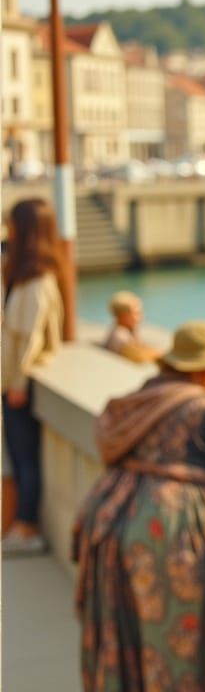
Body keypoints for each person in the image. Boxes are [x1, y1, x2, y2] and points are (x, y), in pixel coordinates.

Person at [74, 320, 205, 691]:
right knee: (175, 648)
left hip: (112, 521)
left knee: (124, 640)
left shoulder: (148, 396)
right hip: (165, 536)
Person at [1, 197, 67, 555]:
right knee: (17, 454)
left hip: (18, 382)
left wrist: (18, 382)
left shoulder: (38, 278)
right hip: (12, 380)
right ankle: (20, 525)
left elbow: (30, 336)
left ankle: (27, 527)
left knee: (25, 457)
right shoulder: (24, 272)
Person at [102, 290, 162, 363]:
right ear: (123, 316)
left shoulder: (124, 331)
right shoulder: (119, 336)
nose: (141, 317)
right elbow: (138, 356)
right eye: (137, 313)